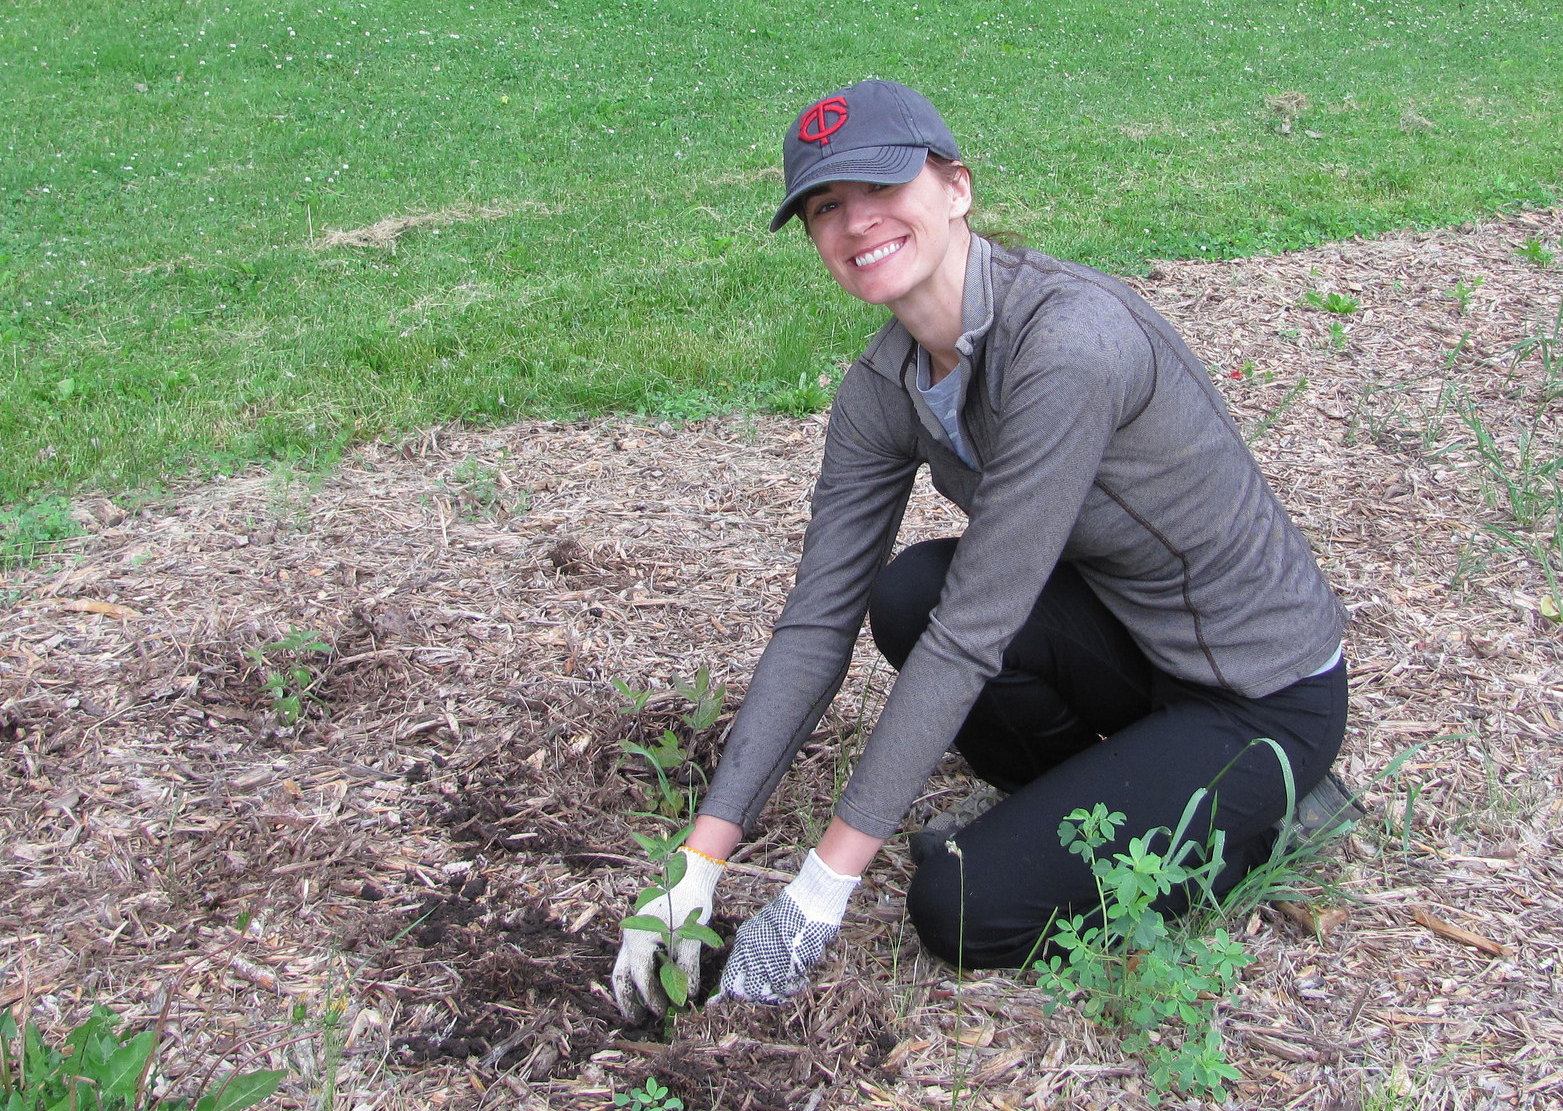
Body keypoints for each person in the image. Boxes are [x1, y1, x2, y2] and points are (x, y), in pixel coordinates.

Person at [611, 79, 1350, 1021]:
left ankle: (1268, 815)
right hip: (1134, 645)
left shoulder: (1068, 345)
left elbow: (979, 629)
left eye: (881, 188)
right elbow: (816, 620)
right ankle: (1109, 794)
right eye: (824, 207)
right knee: (909, 591)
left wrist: (815, 897)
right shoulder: (884, 386)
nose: (854, 223)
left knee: (962, 906)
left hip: (1260, 692)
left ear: (957, 187)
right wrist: (695, 866)